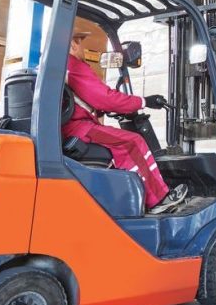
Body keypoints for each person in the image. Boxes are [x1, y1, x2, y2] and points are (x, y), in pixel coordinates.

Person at [62, 31, 187, 214]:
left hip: (72, 127)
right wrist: (144, 101)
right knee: (132, 142)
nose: (83, 49)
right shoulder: (73, 65)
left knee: (123, 140)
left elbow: (91, 101)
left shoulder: (59, 66)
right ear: (73, 44)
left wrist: (105, 107)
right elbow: (104, 97)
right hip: (80, 128)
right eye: (81, 44)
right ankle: (158, 199)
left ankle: (136, 195)